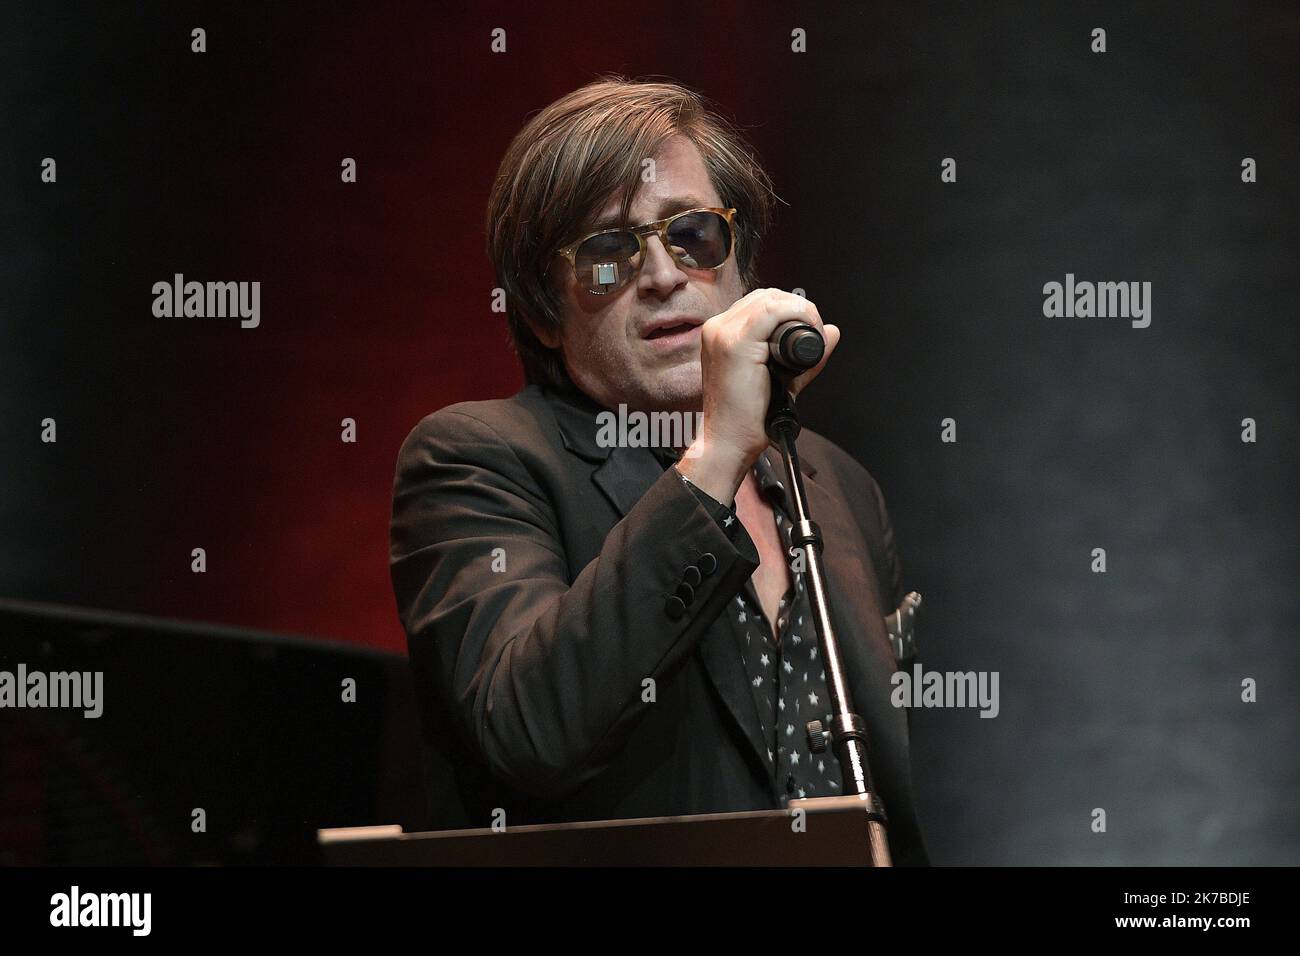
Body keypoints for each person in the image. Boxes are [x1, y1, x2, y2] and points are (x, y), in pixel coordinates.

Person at [389, 75, 929, 865]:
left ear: (739, 260)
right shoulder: (479, 459)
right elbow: (531, 728)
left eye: (694, 235)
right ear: (542, 309)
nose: (664, 275)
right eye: (607, 254)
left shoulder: (837, 484)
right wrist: (713, 458)